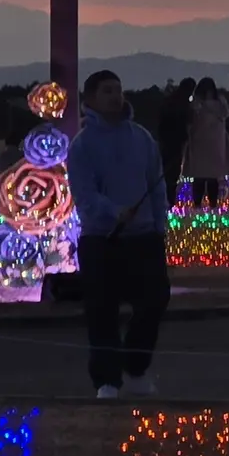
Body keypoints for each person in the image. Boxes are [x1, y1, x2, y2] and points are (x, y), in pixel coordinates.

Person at [67, 69, 170, 399]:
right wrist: (114, 211)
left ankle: (136, 368)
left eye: (118, 89)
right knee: (102, 311)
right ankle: (107, 380)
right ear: (91, 100)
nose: (115, 96)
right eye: (107, 91)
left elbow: (156, 183)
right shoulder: (82, 146)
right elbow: (84, 195)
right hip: (102, 239)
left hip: (144, 237)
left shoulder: (141, 137)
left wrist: (160, 224)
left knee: (154, 301)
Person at [186, 77, 229, 209]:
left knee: (200, 177)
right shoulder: (221, 105)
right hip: (215, 146)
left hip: (200, 146)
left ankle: (198, 205)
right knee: (212, 178)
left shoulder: (197, 105)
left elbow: (192, 124)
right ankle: (212, 205)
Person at [156, 77, 196, 209]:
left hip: (166, 139)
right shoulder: (183, 104)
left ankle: (165, 198)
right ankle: (169, 199)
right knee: (172, 172)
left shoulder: (169, 101)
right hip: (175, 141)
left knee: (166, 169)